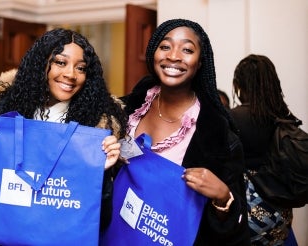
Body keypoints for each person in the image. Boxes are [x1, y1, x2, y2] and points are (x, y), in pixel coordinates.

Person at [0, 28, 127, 245]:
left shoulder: (92, 130)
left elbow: (98, 221)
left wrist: (98, 174)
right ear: (41, 64)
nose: (71, 74)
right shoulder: (1, 109)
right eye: (60, 62)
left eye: (81, 67)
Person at [120, 19, 250, 245]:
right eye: (165, 46)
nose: (174, 56)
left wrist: (222, 196)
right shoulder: (125, 110)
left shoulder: (218, 136)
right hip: (117, 233)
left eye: (187, 49)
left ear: (200, 62)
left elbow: (235, 229)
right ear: (154, 53)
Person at [230, 54, 299, 245]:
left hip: (245, 208)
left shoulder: (231, 118)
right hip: (280, 210)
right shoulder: (284, 118)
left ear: (239, 85)